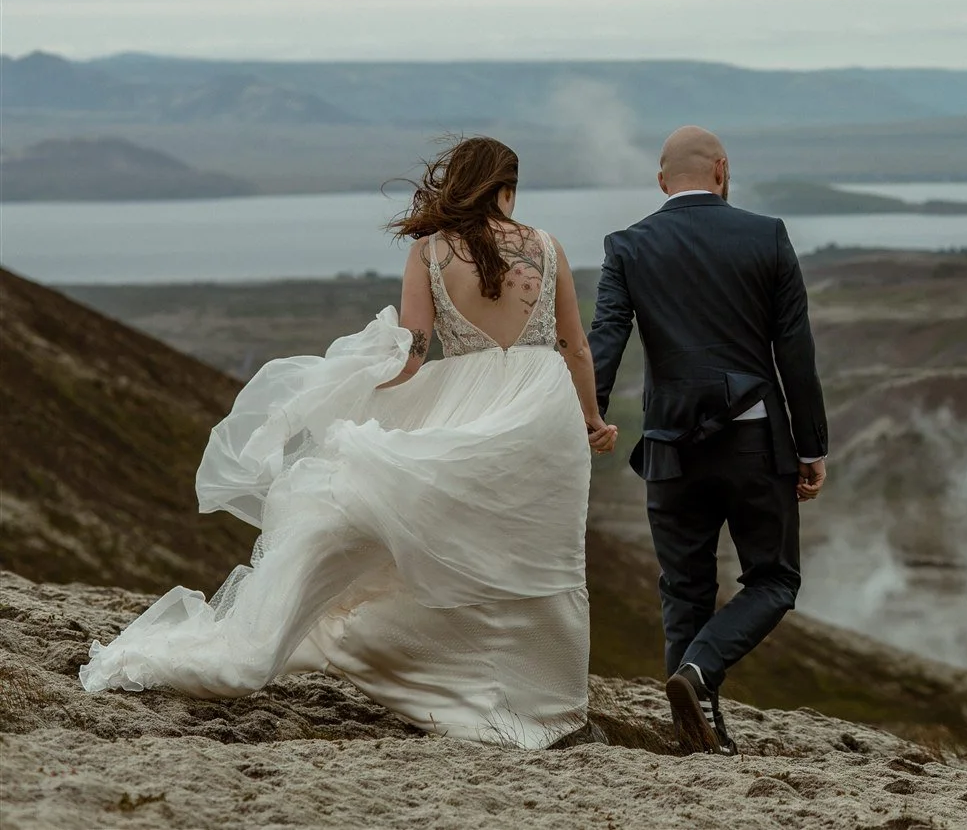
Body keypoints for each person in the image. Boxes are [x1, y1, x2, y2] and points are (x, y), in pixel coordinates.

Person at [79, 137, 619, 749]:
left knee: (453, 550)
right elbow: (574, 346)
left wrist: (354, 390)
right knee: (539, 557)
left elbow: (413, 352)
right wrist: (591, 419)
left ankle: (460, 684)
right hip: (539, 409)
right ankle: (548, 707)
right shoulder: (547, 247)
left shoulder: (431, 252)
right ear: (507, 187)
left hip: (467, 400)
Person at [589, 125, 828, 755]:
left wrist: (587, 415)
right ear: (722, 169)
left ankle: (694, 734)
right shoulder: (766, 236)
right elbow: (794, 353)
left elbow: (605, 342)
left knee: (684, 590)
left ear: (662, 180)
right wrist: (811, 447)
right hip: (755, 441)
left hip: (669, 444)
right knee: (774, 580)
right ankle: (698, 677)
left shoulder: (628, 245)